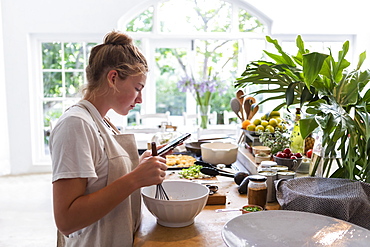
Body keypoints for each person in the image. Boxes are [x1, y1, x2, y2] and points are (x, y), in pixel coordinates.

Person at [49, 30, 169, 246]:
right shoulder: (75, 124)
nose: (140, 99)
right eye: (137, 88)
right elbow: (66, 220)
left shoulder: (103, 121)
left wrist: (138, 168)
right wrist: (135, 179)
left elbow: (102, 181)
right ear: (113, 78)